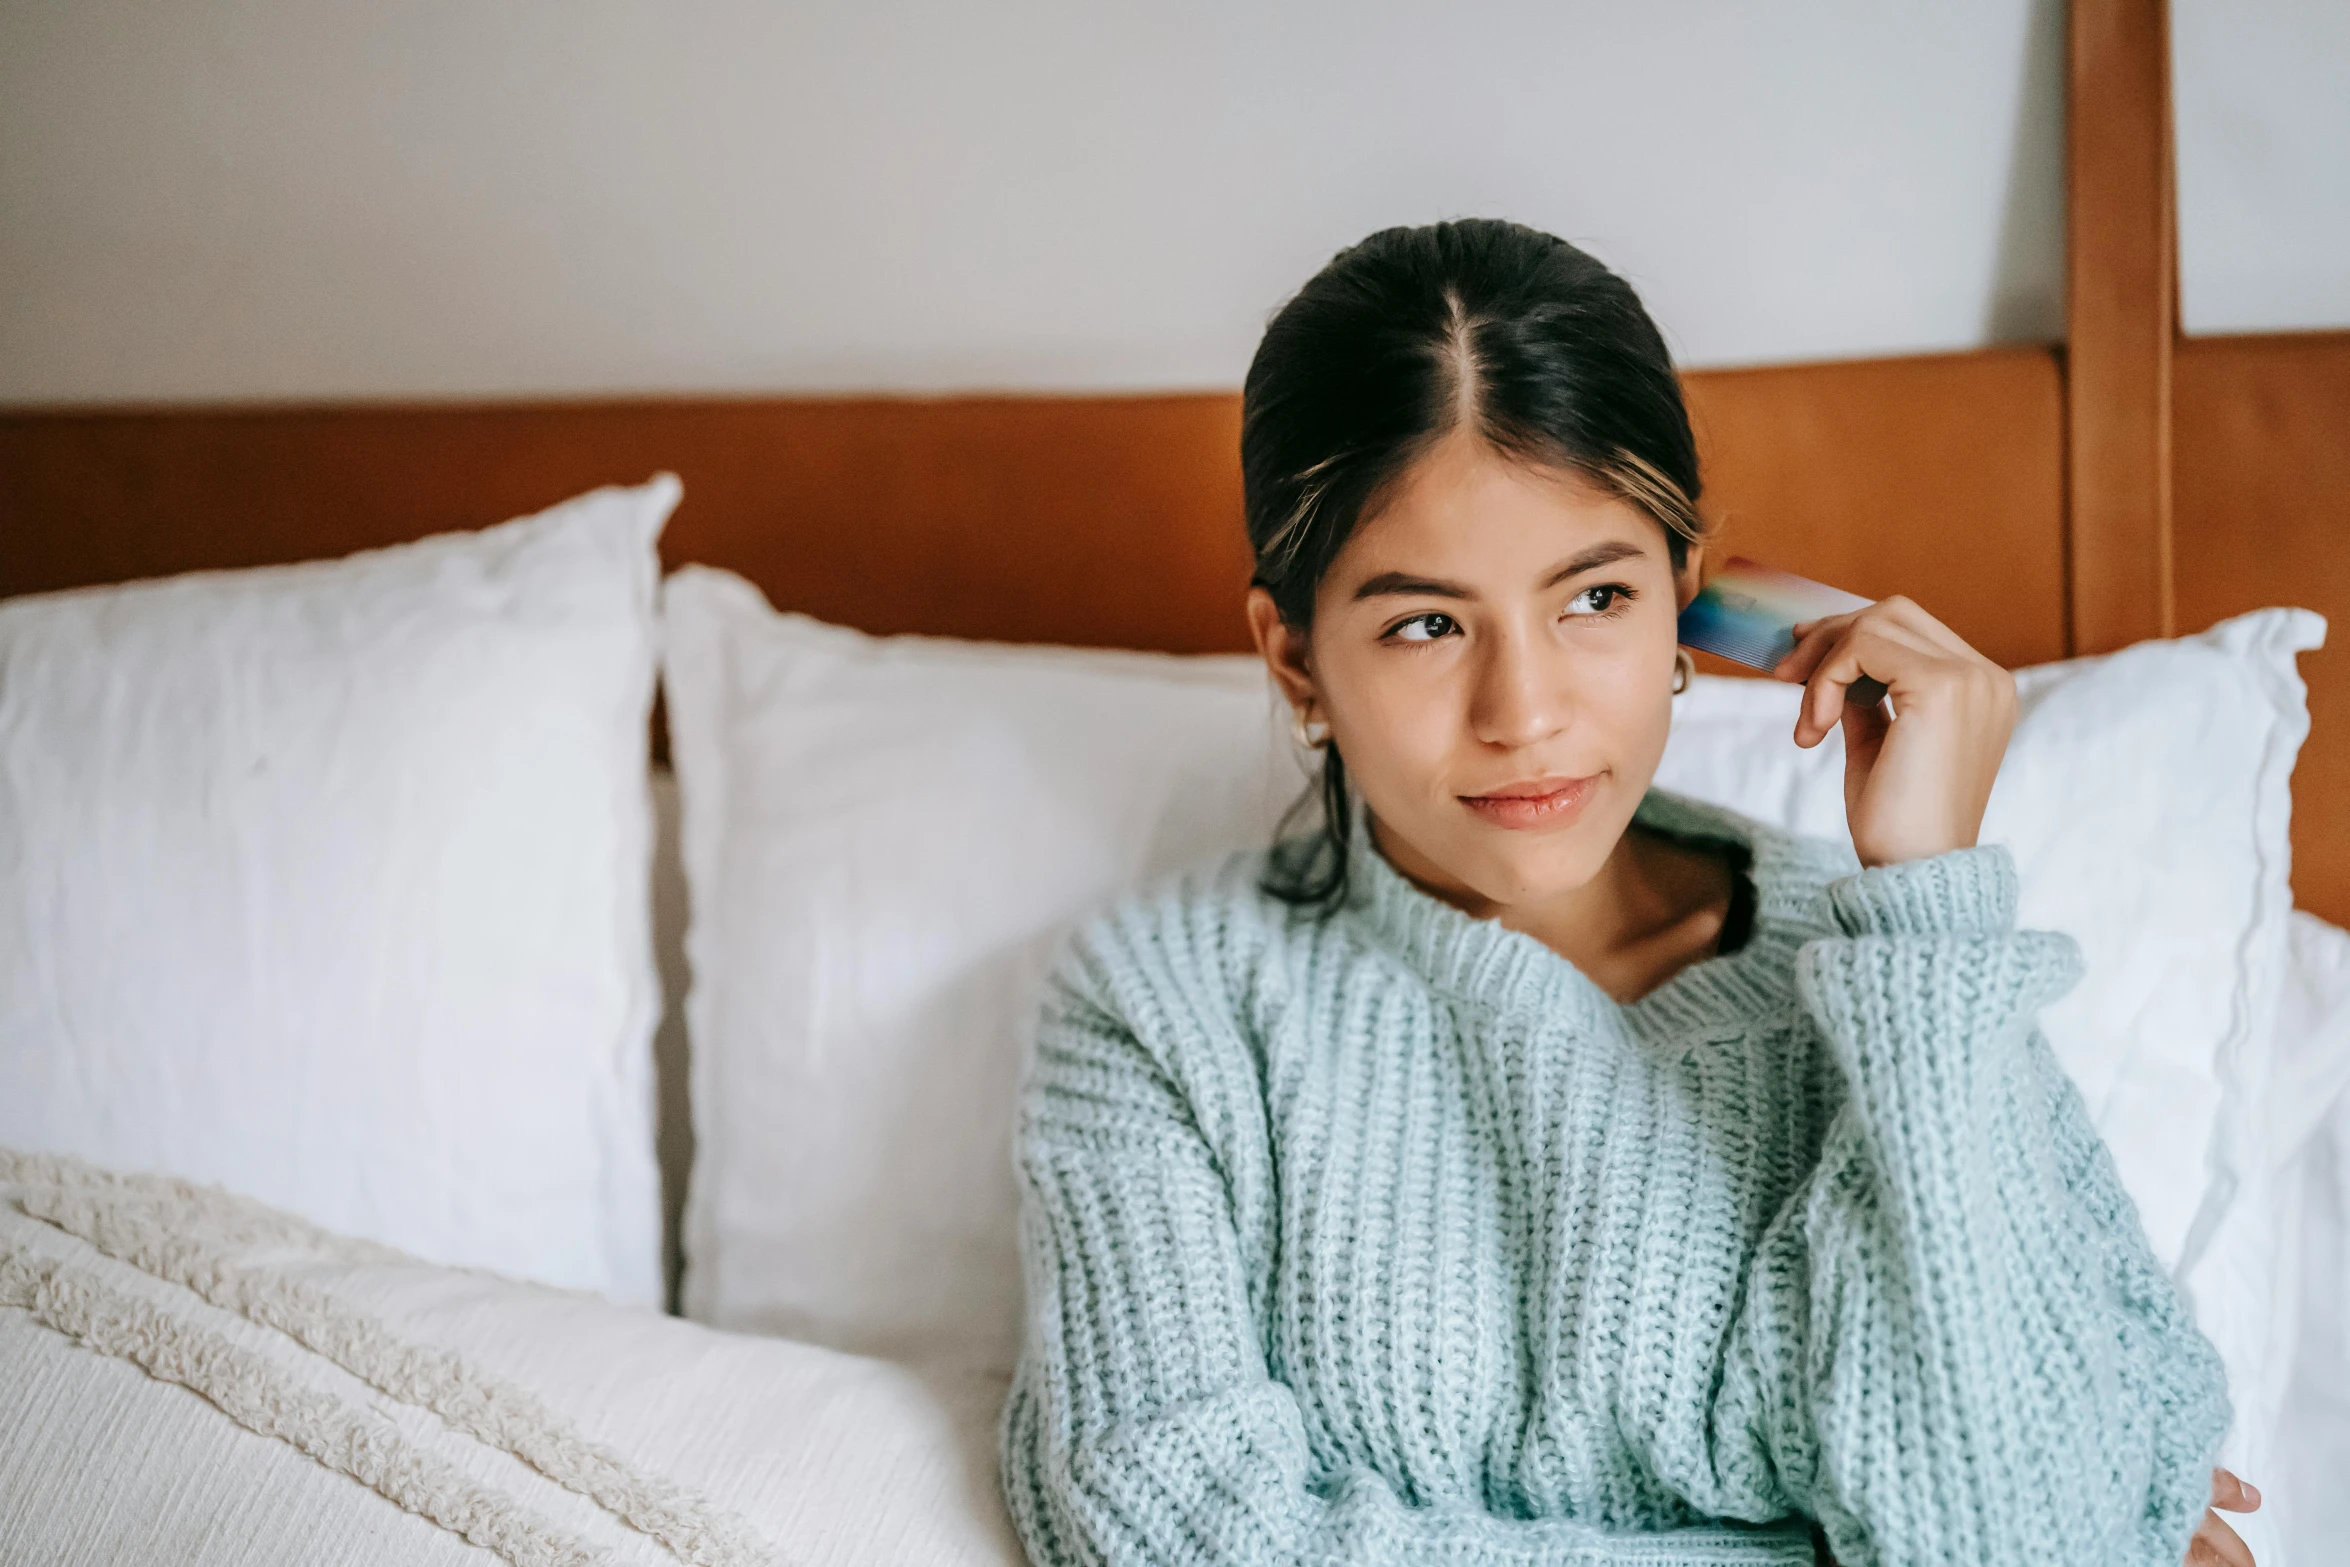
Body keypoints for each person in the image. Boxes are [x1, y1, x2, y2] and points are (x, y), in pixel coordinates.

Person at [996, 218, 2260, 1567]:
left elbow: (2030, 1529)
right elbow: (1169, 1528)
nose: (1523, 712)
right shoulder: (1157, 1007)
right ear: (1295, 658)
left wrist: (1926, 896)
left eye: (1593, 597)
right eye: (1425, 622)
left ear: (1688, 599)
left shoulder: (1891, 983)